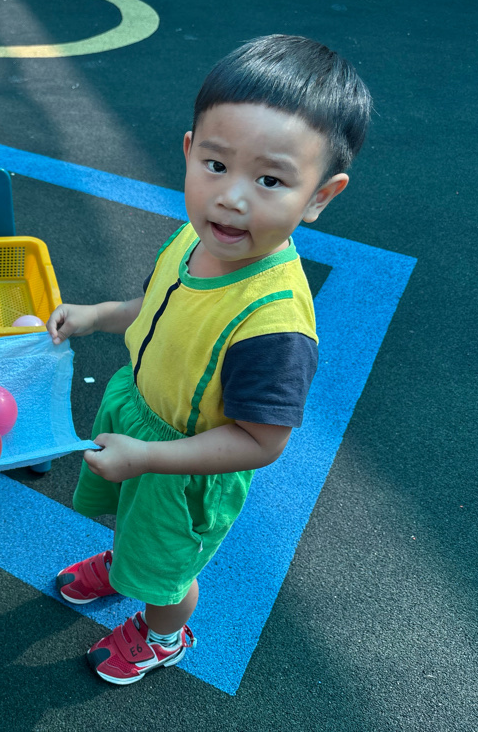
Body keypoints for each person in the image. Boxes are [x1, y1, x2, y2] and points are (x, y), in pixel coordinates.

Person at [47, 35, 372, 685]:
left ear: (319, 196)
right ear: (190, 151)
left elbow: (261, 441)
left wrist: (149, 458)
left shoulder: (274, 323)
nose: (231, 198)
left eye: (270, 180)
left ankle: (163, 633)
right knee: (137, 531)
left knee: (171, 571)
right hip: (138, 421)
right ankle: (127, 562)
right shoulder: (194, 238)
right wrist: (97, 315)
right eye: (217, 165)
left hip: (183, 466)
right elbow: (155, 305)